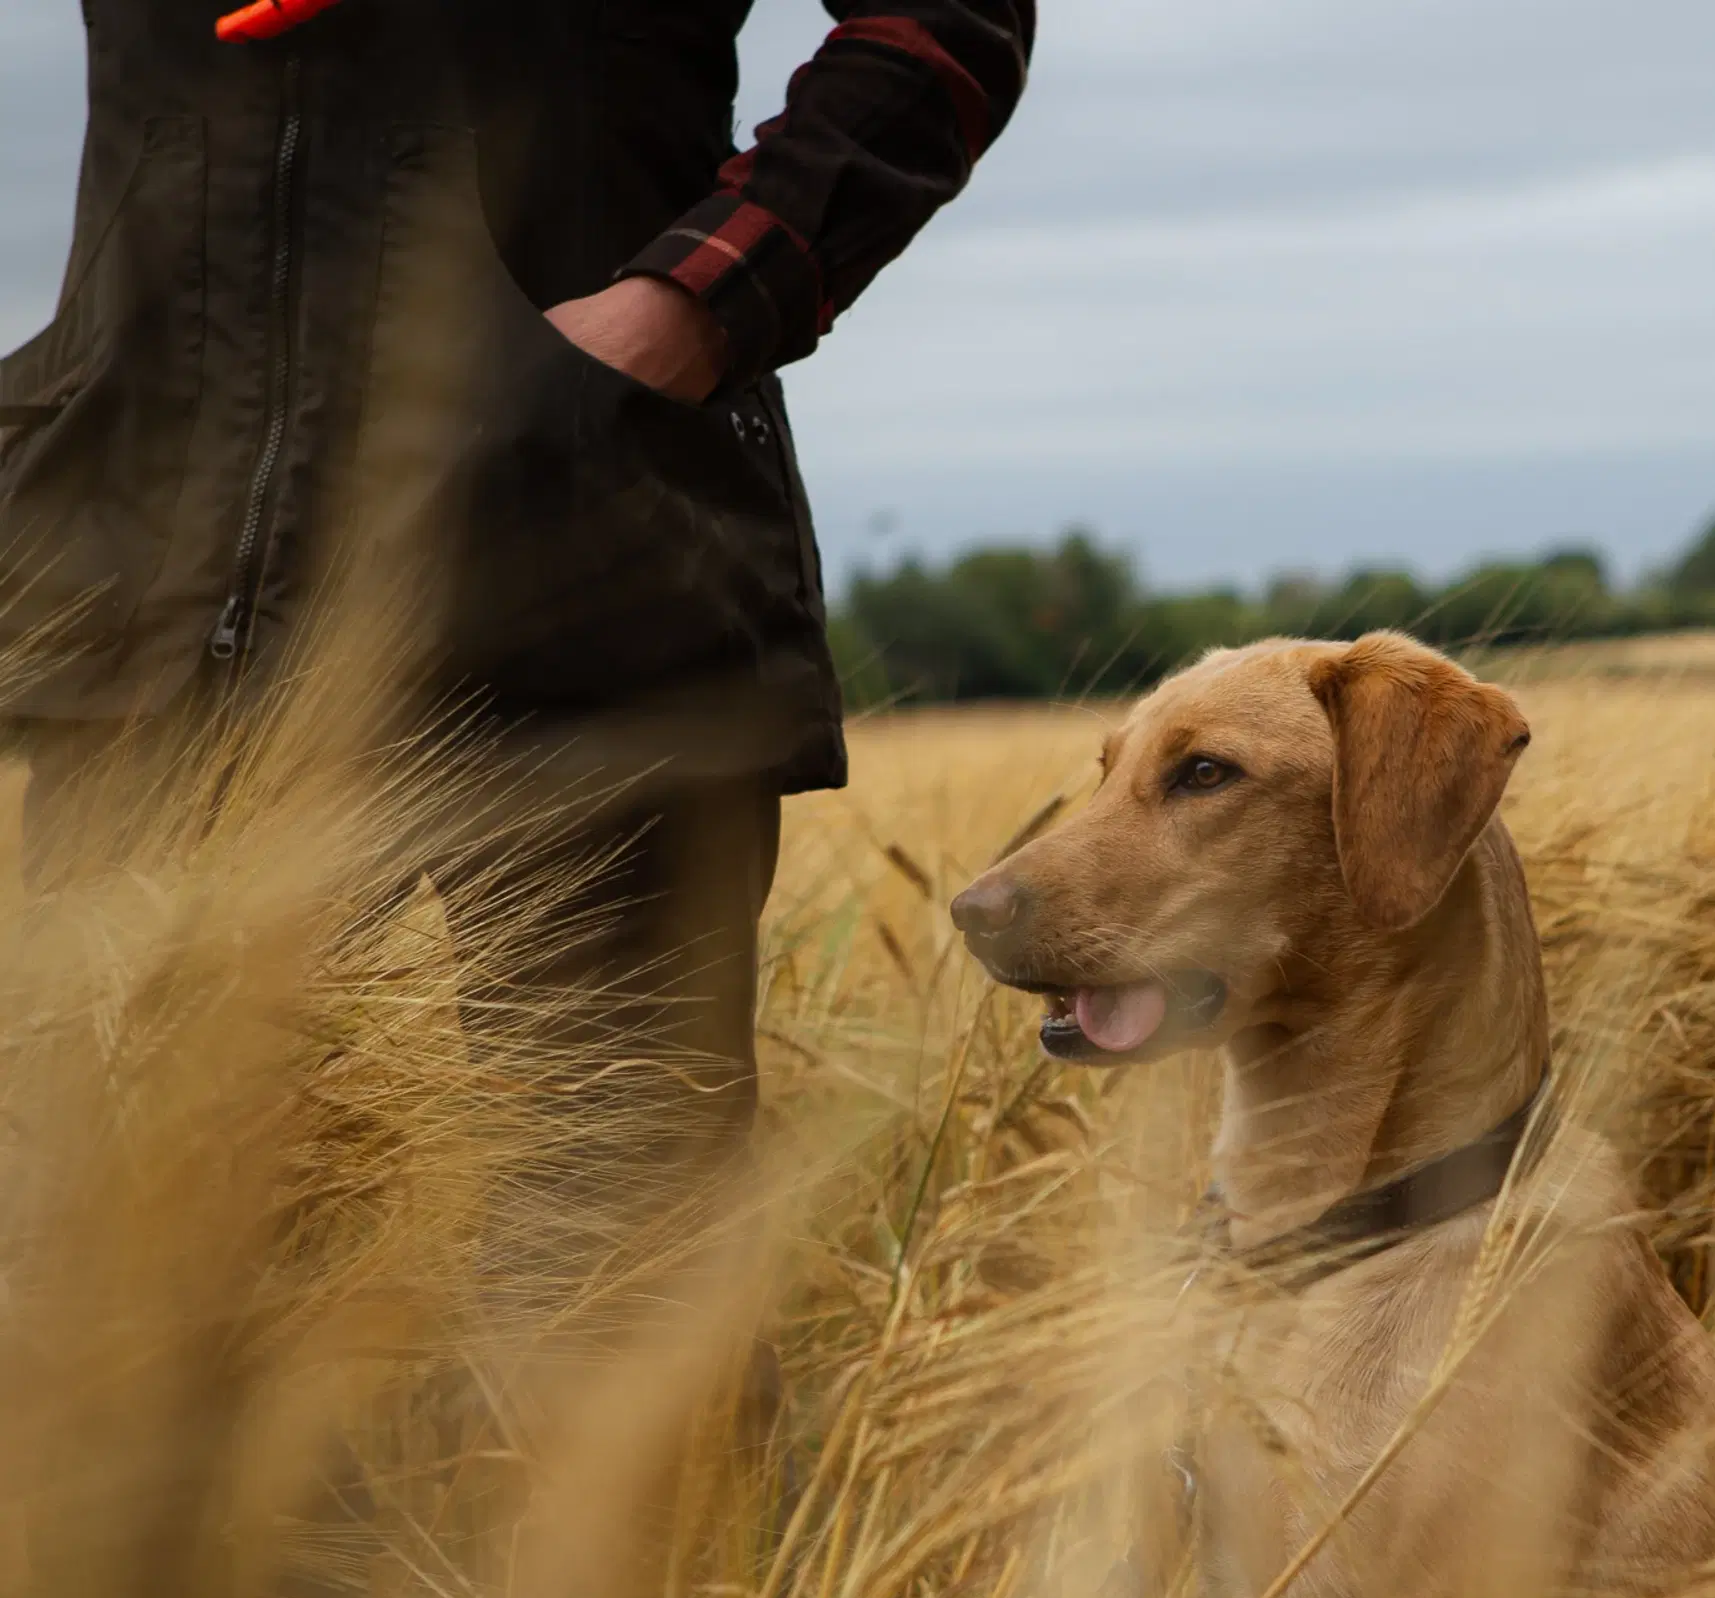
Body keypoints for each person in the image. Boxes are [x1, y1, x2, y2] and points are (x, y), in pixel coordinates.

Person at [0, 0, 1036, 1224]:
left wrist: (694, 306)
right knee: (130, 1290)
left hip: (582, 565)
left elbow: (945, 22)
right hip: (154, 591)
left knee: (600, 1288)